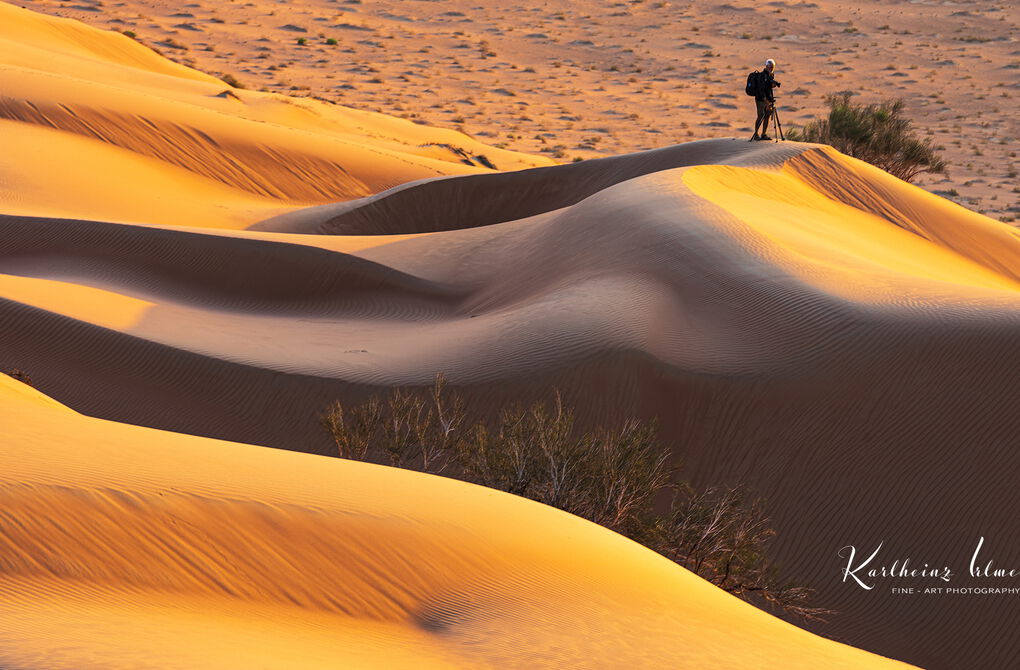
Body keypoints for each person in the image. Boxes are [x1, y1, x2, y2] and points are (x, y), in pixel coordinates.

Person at [751, 58, 781, 141]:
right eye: (770, 67)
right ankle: (756, 134)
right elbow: (761, 90)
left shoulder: (771, 75)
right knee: (760, 116)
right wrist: (766, 101)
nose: (771, 68)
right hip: (761, 99)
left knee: (767, 116)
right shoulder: (762, 75)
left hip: (768, 99)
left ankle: (763, 134)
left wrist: (773, 85)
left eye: (772, 67)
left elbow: (768, 87)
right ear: (766, 66)